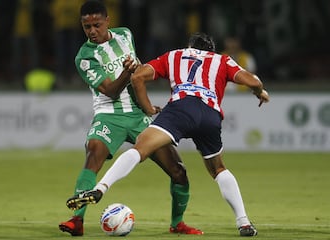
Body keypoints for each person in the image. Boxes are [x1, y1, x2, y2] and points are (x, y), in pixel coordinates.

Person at [67, 32, 270, 237]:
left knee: (140, 148)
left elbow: (137, 76)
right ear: (211, 50)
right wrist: (259, 92)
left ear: (189, 46)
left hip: (181, 109)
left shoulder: (175, 55)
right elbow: (253, 80)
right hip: (210, 115)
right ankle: (243, 222)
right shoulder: (221, 60)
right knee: (218, 169)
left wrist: (147, 107)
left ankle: (101, 187)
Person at [59, 0, 203, 236]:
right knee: (94, 152)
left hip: (138, 117)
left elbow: (139, 76)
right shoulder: (84, 57)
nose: (92, 31)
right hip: (109, 115)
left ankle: (177, 223)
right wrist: (127, 71)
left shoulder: (125, 35)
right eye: (87, 27)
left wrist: (146, 107)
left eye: (96, 25)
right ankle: (77, 220)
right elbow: (111, 90)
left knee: (178, 171)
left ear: (108, 21)